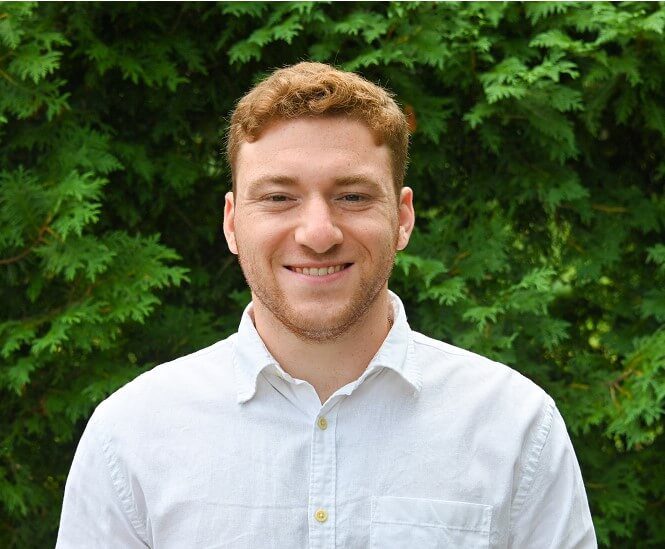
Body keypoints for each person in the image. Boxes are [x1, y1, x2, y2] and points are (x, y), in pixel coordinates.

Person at [56, 62, 597, 548]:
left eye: (353, 196)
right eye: (278, 198)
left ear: (403, 218)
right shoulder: (130, 435)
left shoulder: (515, 426)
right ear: (231, 222)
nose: (318, 233)